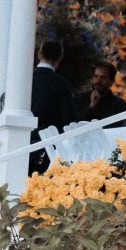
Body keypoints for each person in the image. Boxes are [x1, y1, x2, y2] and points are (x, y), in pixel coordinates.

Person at [28, 38, 73, 174]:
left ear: (39, 54)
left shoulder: (25, 80)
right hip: (48, 146)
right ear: (59, 59)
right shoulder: (61, 84)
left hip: (22, 140)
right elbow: (68, 120)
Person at [74, 59, 126, 124]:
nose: (98, 81)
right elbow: (74, 123)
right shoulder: (80, 99)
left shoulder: (119, 104)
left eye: (103, 77)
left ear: (111, 82)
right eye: (96, 76)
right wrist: (91, 106)